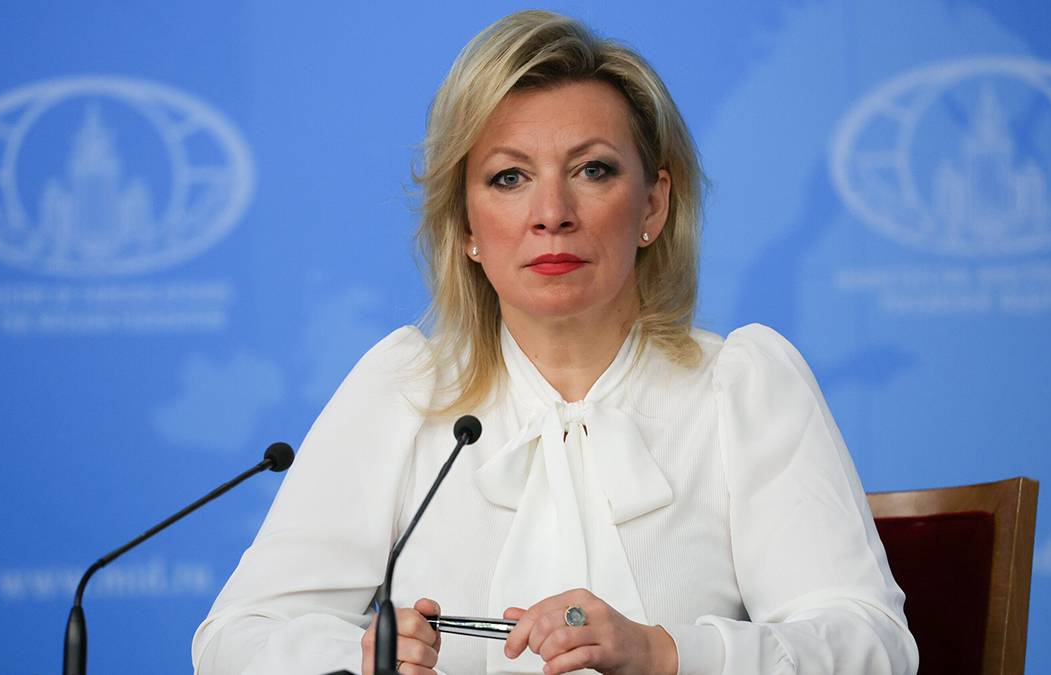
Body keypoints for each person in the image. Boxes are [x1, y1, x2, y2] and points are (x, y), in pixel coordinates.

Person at [192, 10, 918, 675]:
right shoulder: (405, 390)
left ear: (653, 204)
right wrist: (363, 661)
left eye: (592, 170)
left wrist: (666, 652)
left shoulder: (742, 386)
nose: (551, 213)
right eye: (509, 177)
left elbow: (873, 645)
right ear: (466, 225)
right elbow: (236, 637)